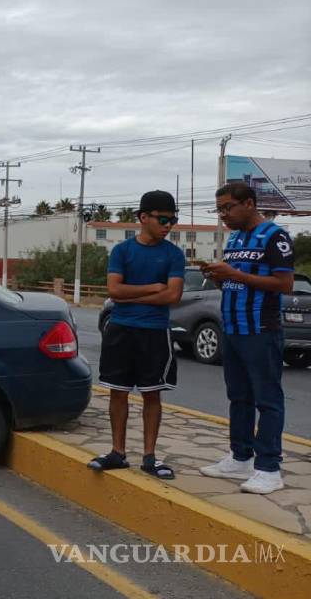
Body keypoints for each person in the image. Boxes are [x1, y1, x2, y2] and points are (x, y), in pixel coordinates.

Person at [199, 183, 294, 494]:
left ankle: (269, 468)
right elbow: (234, 284)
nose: (224, 215)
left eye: (228, 208)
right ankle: (241, 457)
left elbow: (284, 284)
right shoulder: (236, 238)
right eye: (220, 209)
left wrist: (235, 275)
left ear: (249, 204)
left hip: (261, 330)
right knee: (238, 397)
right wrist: (219, 277)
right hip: (233, 328)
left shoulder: (274, 236)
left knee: (268, 400)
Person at [88, 190, 185, 480]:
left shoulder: (174, 254)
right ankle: (117, 453)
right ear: (143, 218)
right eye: (163, 219)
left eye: (173, 220)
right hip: (121, 331)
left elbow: (174, 295)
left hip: (155, 333)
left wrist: (132, 295)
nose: (169, 225)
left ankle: (150, 458)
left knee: (151, 395)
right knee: (118, 393)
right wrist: (153, 288)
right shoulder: (122, 251)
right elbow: (114, 291)